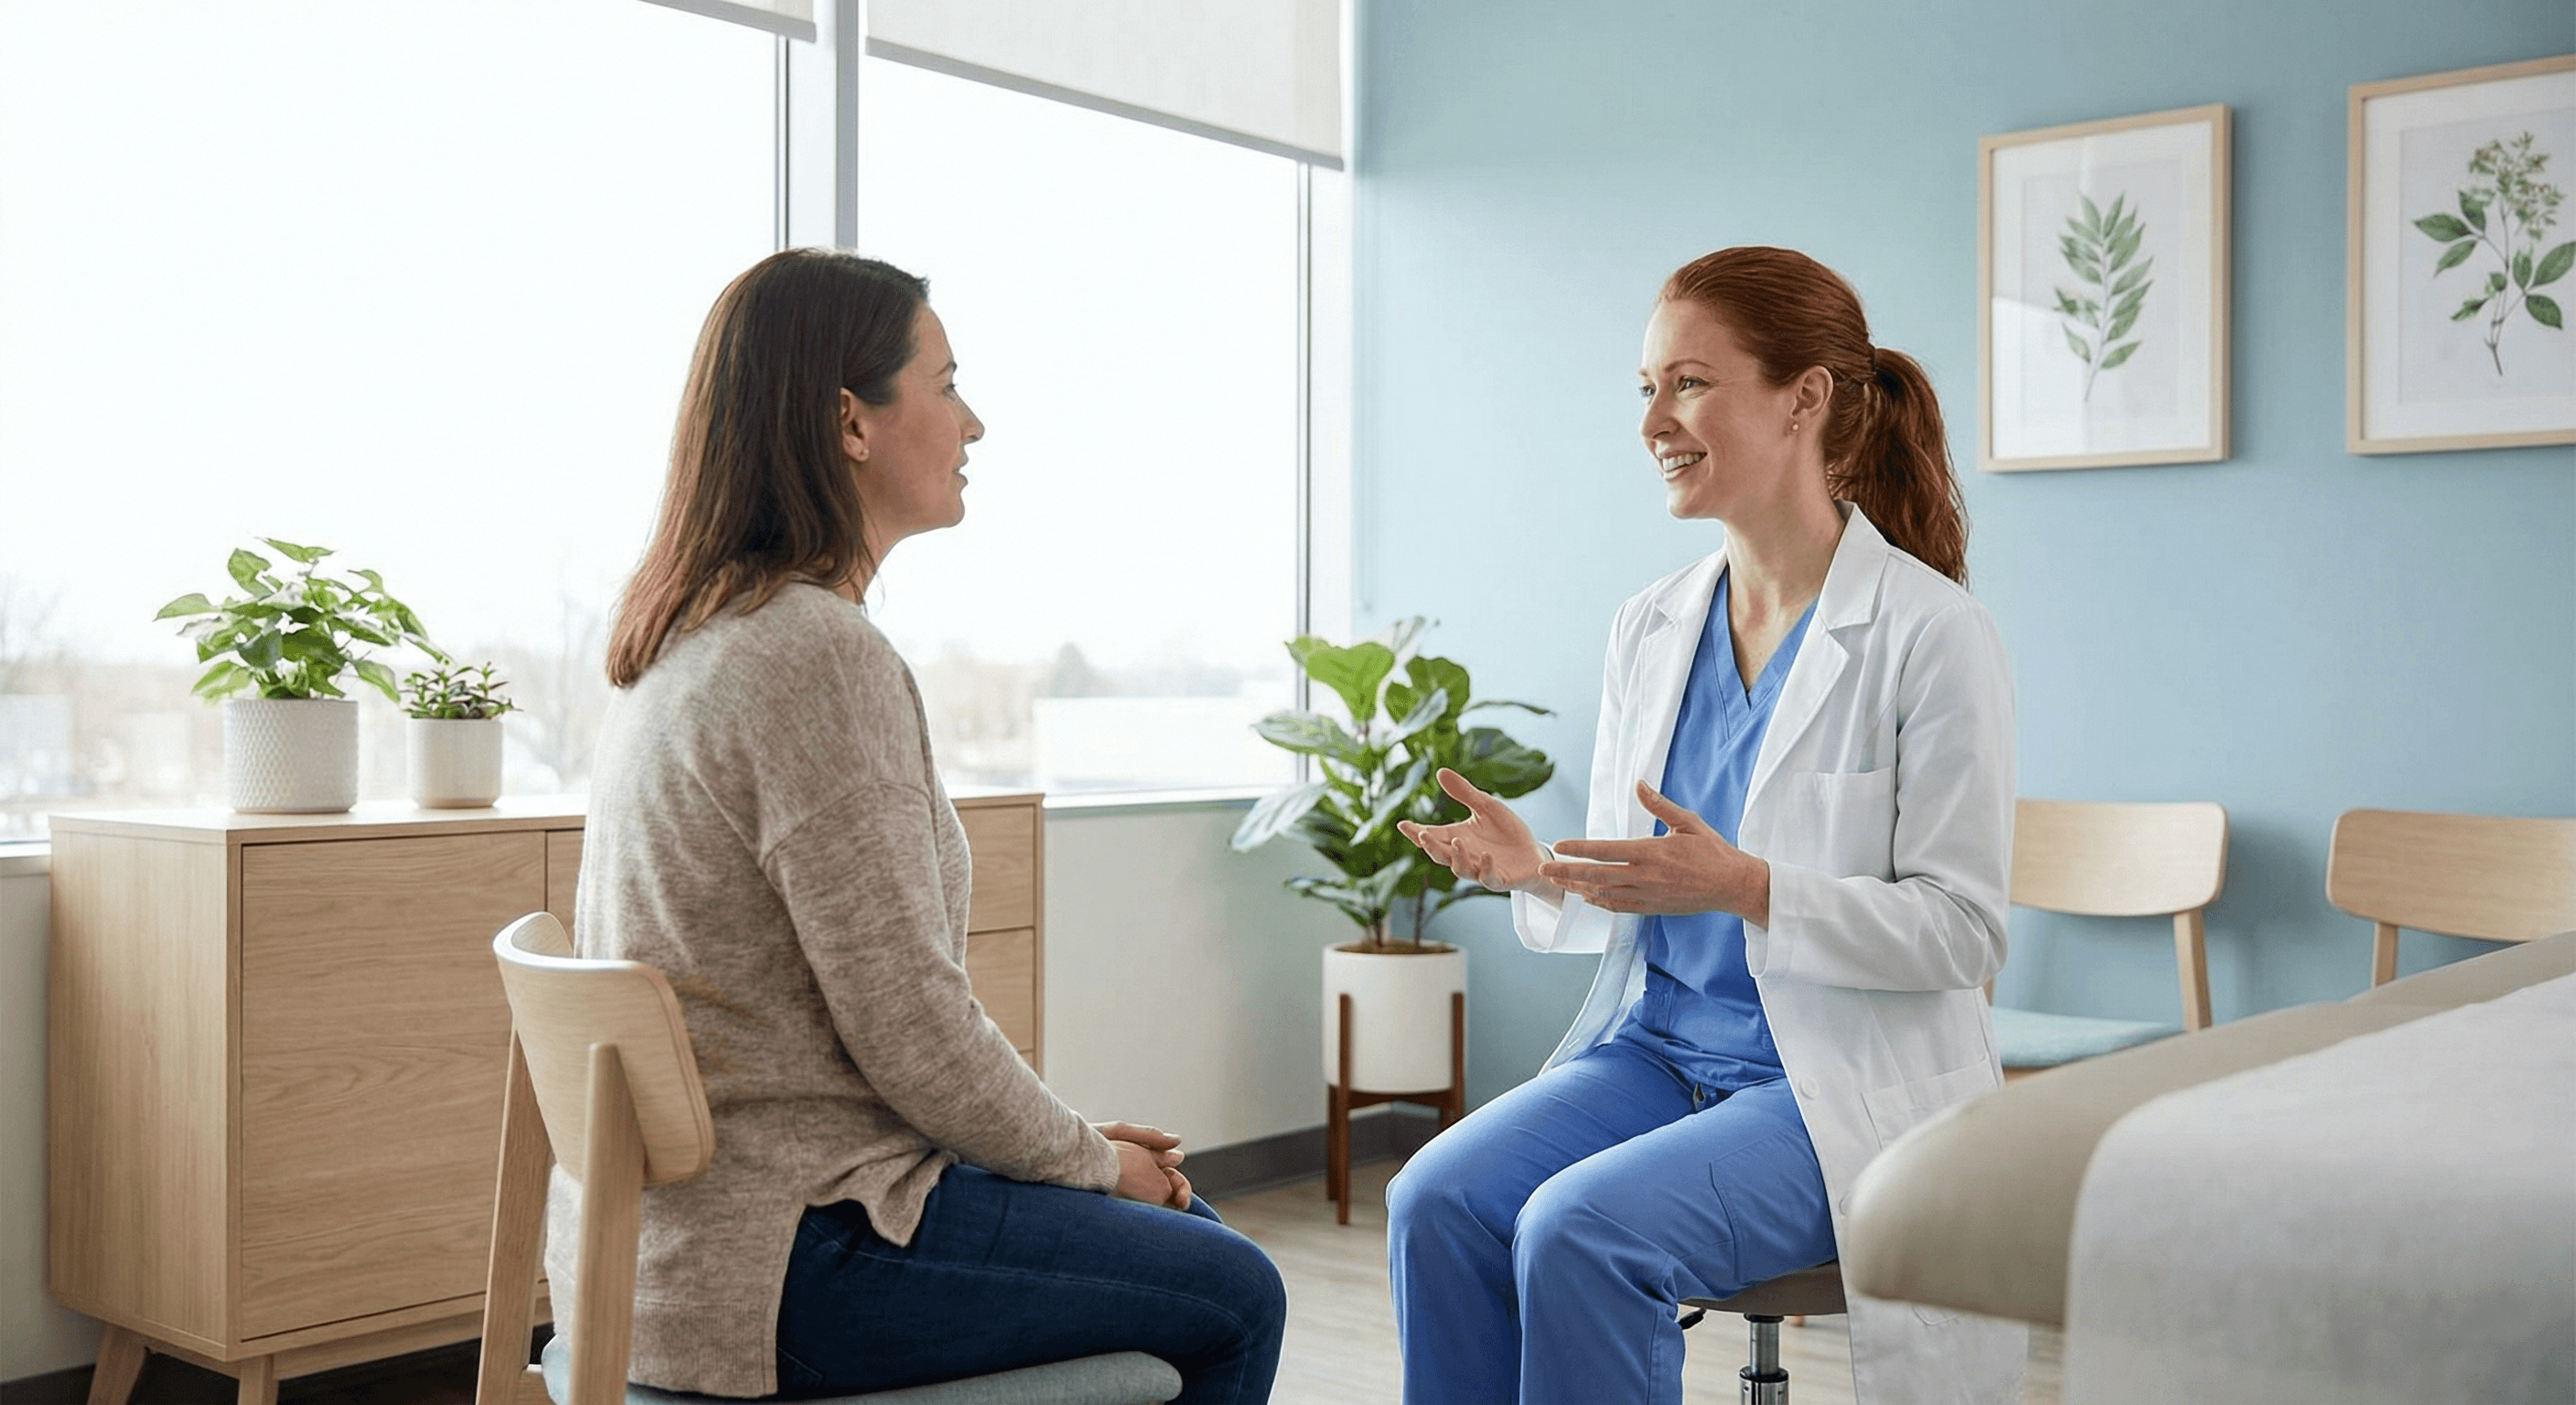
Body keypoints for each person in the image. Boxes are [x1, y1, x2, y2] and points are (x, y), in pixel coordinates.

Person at [554, 248, 1285, 1402]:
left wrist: (1073, 1147)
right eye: (945, 384)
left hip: (684, 1250)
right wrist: (1089, 1161)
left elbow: (868, 1039)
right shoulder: (812, 655)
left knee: (1193, 1233)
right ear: (850, 419)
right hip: (791, 1256)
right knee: (1233, 1288)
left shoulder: (693, 643)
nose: (974, 423)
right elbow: (910, 1026)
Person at [1388, 246, 2025, 1405]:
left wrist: (1752, 889)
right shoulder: (1651, 625)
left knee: (1579, 1230)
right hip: (1661, 1054)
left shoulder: (1930, 633)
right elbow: (1648, 879)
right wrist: (1540, 870)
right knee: (1433, 1200)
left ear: (1804, 397)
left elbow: (1964, 934)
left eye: (1687, 383)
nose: (1653, 421)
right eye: (1645, 389)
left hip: (1835, 1083)